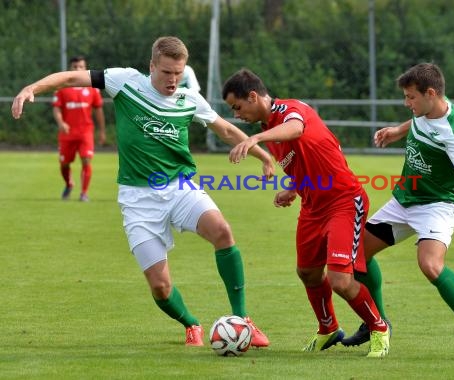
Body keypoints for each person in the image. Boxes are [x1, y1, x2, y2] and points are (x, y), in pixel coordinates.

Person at [12, 36, 274, 348]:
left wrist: (263, 153)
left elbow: (227, 130)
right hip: (137, 200)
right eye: (166, 72)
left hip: (179, 188)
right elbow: (71, 78)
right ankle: (191, 324)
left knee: (222, 231)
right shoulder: (125, 82)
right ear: (151, 66)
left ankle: (243, 320)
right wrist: (32, 88)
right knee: (161, 288)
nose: (173, 80)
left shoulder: (189, 99)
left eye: (178, 72)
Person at [222, 68, 391, 358]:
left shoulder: (291, 109)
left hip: (343, 201)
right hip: (313, 207)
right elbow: (306, 161)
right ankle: (328, 329)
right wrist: (293, 188)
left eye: (237, 107)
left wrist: (255, 139)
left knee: (341, 281)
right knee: (308, 272)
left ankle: (379, 328)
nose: (236, 114)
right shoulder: (273, 136)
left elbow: (297, 129)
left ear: (253, 96)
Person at [341, 63, 454, 360]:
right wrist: (396, 131)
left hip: (438, 206)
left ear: (431, 93)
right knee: (357, 255)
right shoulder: (424, 111)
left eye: (410, 97)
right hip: (404, 201)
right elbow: (416, 123)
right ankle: (378, 323)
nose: (406, 103)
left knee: (430, 265)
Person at [52, 55, 106, 202]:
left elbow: (99, 110)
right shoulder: (62, 87)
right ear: (70, 68)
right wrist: (61, 122)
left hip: (85, 132)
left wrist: (102, 131)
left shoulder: (92, 88)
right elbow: (56, 108)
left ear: (85, 68)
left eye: (81, 67)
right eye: (75, 67)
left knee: (86, 160)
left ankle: (84, 193)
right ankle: (69, 183)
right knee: (64, 163)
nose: (78, 69)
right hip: (67, 133)